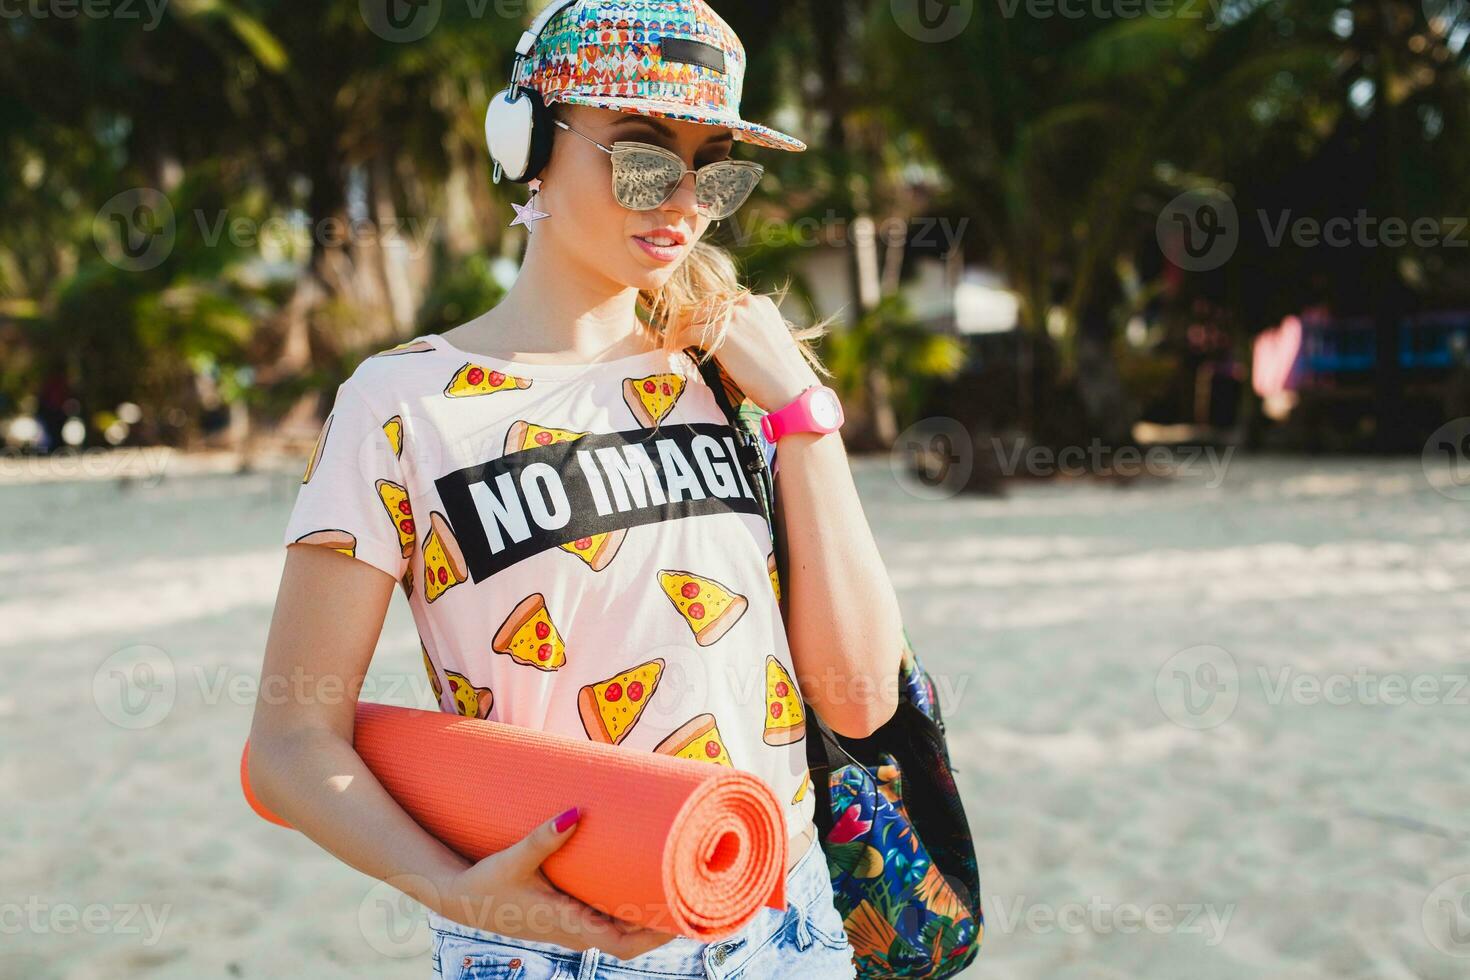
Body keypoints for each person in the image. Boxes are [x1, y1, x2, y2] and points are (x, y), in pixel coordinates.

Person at [247, 2, 904, 977]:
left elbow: (857, 698)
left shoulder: (732, 378)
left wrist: (805, 411)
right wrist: (451, 887)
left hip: (783, 920)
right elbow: (291, 741)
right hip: (541, 944)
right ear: (526, 144)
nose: (682, 200)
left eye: (715, 170)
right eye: (642, 158)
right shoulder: (401, 405)